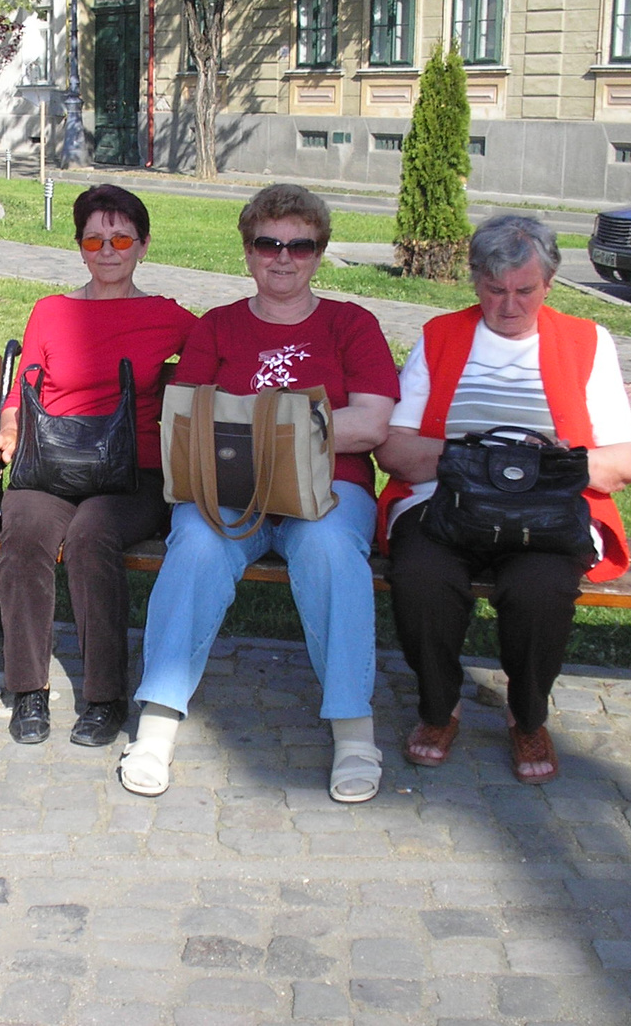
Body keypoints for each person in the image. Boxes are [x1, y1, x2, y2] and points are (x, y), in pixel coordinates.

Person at [122, 184, 399, 803]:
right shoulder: (219, 327)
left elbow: (373, 423)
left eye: (300, 246)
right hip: (229, 489)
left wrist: (256, 424)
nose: (283, 257)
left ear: (319, 253)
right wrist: (307, 422)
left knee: (330, 551)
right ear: (247, 252)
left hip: (329, 491)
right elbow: (188, 419)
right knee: (193, 542)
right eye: (268, 243)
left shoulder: (351, 325)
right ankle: (158, 724)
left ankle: (354, 730)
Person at [374, 215, 631, 785]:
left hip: (547, 513)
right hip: (445, 503)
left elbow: (624, 463)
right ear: (475, 281)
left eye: (525, 290)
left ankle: (527, 715)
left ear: (549, 283)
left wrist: (538, 471)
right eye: (494, 290)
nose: (509, 305)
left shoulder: (587, 342)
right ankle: (438, 708)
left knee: (539, 587)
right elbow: (396, 451)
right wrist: (479, 465)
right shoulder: (441, 336)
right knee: (422, 574)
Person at [0, 185, 196, 747]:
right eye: (94, 238)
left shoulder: (165, 316)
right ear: (79, 247)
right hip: (53, 462)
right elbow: (24, 386)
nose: (108, 249)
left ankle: (105, 697)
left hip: (133, 472)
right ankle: (28, 691)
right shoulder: (51, 311)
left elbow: (222, 355)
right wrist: (8, 427)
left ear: (143, 245)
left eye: (121, 237)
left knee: (90, 536)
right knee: (24, 531)